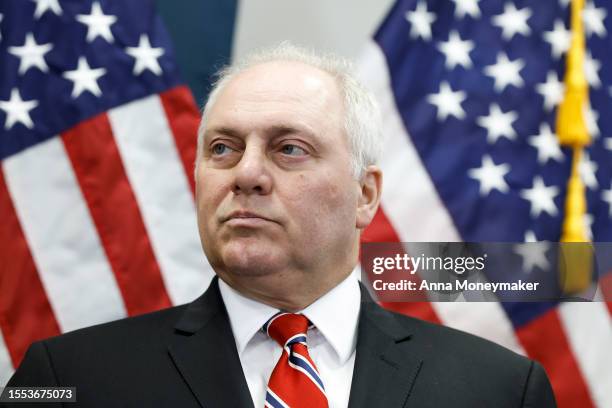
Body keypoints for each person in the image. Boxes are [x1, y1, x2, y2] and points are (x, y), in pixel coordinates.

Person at [3, 43, 556, 408]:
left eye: (289, 149)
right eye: (222, 148)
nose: (246, 174)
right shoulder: (67, 378)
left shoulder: (500, 390)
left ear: (365, 196)